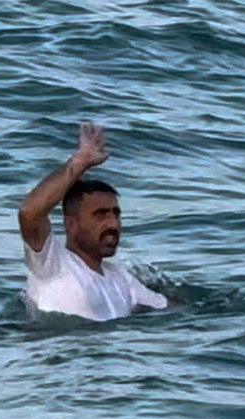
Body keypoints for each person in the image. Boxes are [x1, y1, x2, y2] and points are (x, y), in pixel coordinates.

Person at [18, 122, 168, 321]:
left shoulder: (121, 279)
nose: (113, 224)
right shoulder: (52, 265)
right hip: (60, 348)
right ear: (70, 225)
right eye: (100, 215)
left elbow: (175, 311)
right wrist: (80, 163)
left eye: (116, 214)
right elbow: (30, 212)